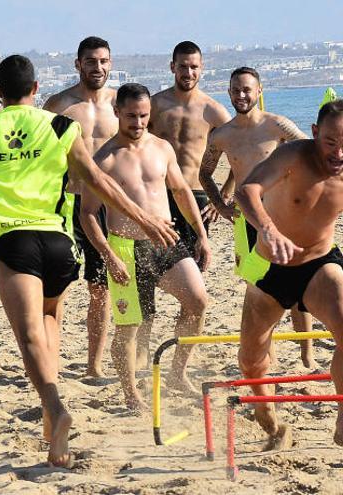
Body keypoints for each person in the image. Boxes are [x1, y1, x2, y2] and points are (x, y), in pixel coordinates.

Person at [0, 55, 177, 467]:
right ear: (35, 91)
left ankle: (54, 407)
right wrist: (146, 218)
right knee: (49, 319)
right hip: (58, 243)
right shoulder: (62, 126)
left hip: (14, 242)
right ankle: (52, 429)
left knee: (29, 334)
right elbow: (99, 181)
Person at [82, 83, 210, 410]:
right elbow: (88, 216)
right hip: (126, 247)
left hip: (167, 240)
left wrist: (201, 235)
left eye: (143, 116)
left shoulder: (161, 148)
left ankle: (177, 373)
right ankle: (131, 394)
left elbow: (181, 191)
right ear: (117, 113)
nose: (138, 123)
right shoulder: (102, 159)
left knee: (197, 301)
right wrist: (109, 256)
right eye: (131, 116)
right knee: (130, 327)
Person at [235, 100, 343, 450]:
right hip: (270, 269)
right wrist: (267, 229)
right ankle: (271, 425)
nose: (339, 152)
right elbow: (247, 190)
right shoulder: (294, 156)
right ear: (314, 133)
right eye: (331, 142)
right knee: (251, 363)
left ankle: (342, 419)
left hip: (319, 265)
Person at [198, 67, 315, 368]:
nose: (241, 95)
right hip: (246, 220)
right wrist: (221, 206)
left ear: (259, 91)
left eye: (247, 89)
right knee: (259, 290)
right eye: (236, 90)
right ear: (229, 93)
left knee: (297, 281)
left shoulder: (277, 125)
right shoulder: (222, 135)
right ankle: (268, 356)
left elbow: (309, 155)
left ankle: (307, 352)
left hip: (282, 214)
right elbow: (204, 173)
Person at [43, 36, 117, 378]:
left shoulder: (120, 103)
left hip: (107, 204)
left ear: (110, 63)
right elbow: (37, 154)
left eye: (103, 61)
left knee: (100, 287)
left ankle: (94, 364)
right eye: (90, 61)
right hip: (69, 201)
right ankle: (50, 359)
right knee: (58, 285)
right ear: (78, 64)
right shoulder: (59, 105)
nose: (97, 67)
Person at [150, 41, 232, 251]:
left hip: (196, 196)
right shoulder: (155, 105)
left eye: (194, 67)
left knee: (193, 266)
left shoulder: (214, 111)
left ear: (201, 68)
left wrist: (220, 198)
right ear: (172, 67)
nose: (188, 72)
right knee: (156, 264)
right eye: (183, 66)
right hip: (160, 194)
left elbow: (238, 154)